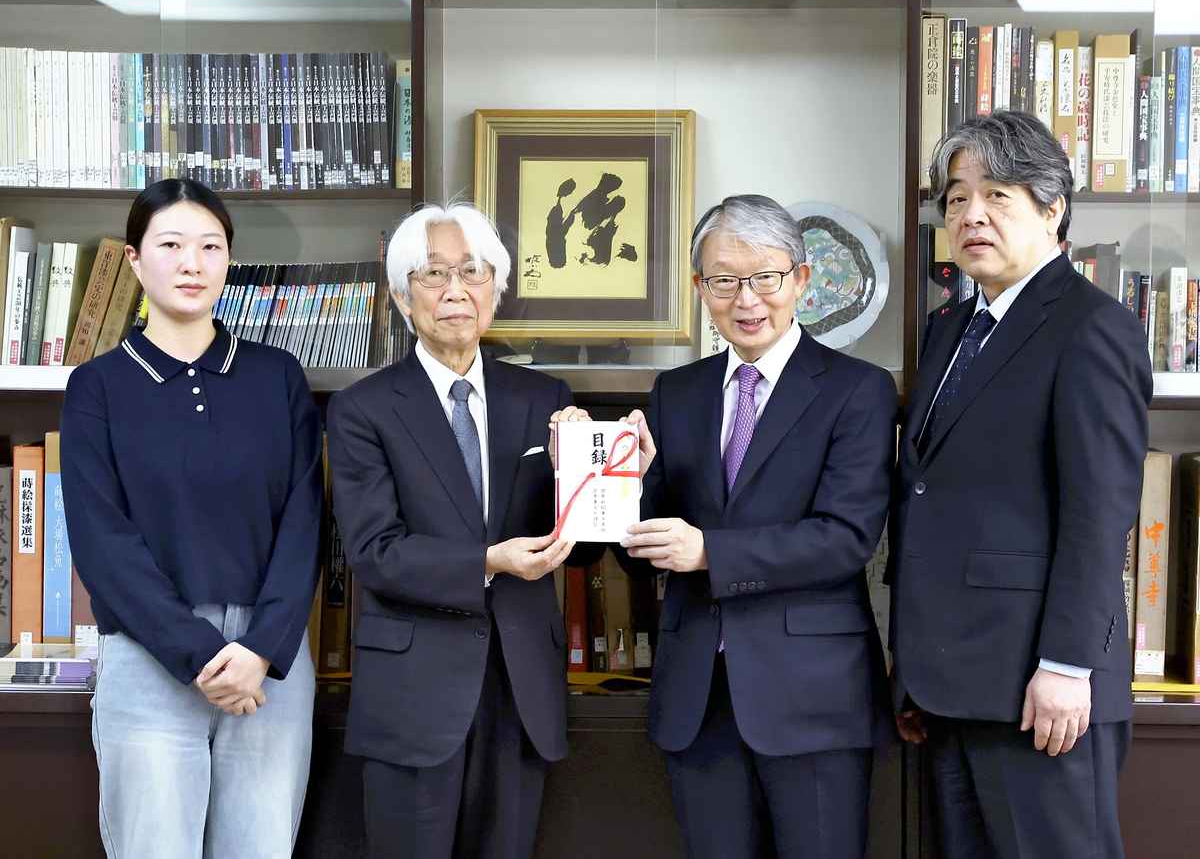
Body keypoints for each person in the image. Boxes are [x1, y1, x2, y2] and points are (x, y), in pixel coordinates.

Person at [889, 111, 1152, 859]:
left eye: (997, 195)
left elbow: (1099, 516)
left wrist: (1066, 667)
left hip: (1043, 691)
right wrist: (912, 672)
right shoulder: (949, 328)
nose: (971, 215)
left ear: (1052, 208)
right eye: (956, 198)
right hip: (949, 686)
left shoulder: (1091, 327)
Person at [617, 194, 896, 859]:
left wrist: (709, 553)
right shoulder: (675, 393)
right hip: (698, 696)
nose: (746, 300)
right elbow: (639, 551)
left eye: (765, 278)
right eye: (724, 281)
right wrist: (617, 481)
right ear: (700, 288)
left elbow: (846, 537)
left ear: (800, 279)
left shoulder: (858, 390)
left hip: (814, 696)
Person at [60, 177, 323, 858]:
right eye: (171, 245)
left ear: (228, 260)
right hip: (150, 657)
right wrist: (203, 654)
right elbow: (102, 544)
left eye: (210, 247)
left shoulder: (278, 377)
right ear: (133, 259)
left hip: (269, 664)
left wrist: (259, 650)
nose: (192, 264)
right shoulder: (96, 388)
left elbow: (304, 524)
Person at [326, 202, 587, 859]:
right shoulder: (362, 410)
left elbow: (580, 537)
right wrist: (489, 562)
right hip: (413, 693)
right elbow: (375, 552)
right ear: (401, 296)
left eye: (472, 272)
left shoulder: (546, 400)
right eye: (434, 274)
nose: (455, 291)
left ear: (495, 289)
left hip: (520, 688)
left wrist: (603, 468)